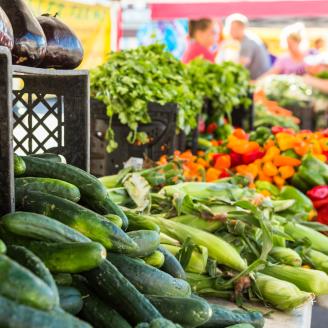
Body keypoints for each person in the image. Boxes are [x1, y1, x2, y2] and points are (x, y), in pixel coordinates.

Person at [225, 13, 270, 80]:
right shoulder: (248, 39)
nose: (230, 32)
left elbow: (241, 65)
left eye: (233, 29)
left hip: (257, 81)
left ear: (242, 27)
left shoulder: (248, 43)